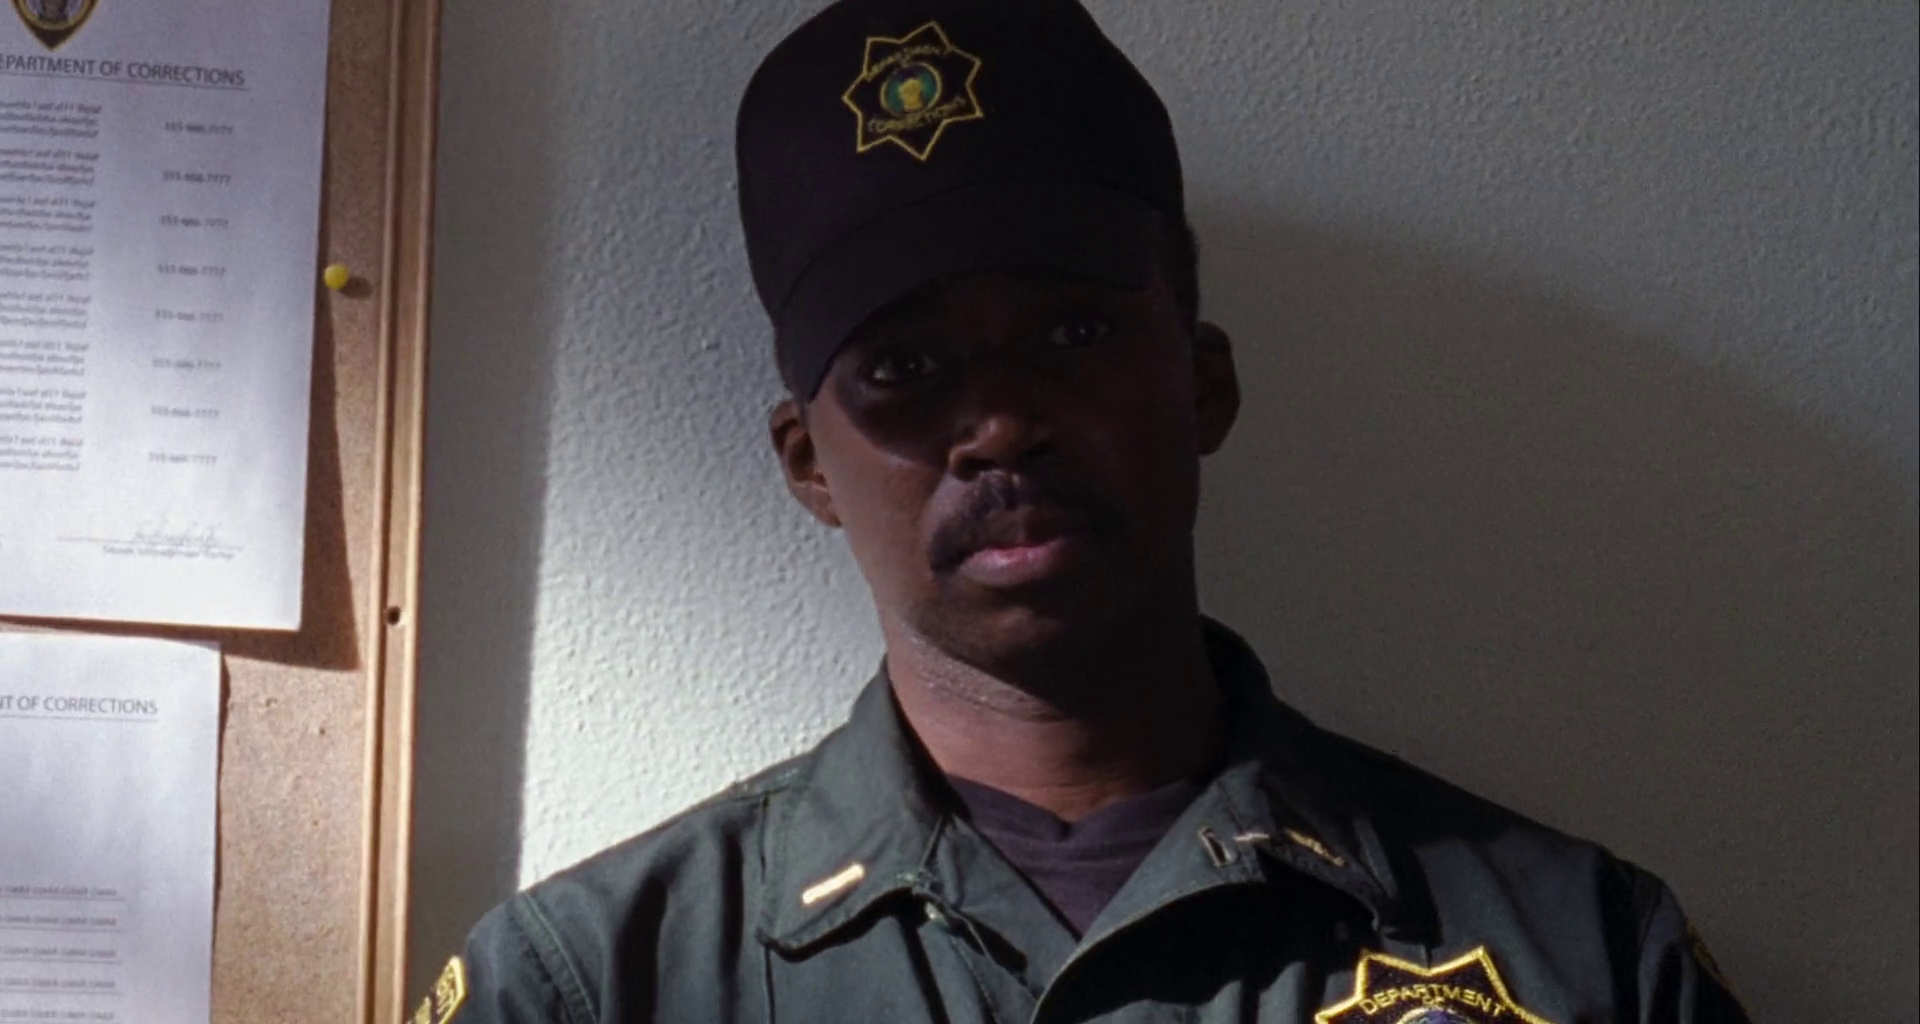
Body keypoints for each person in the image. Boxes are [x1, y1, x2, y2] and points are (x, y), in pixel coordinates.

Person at [423, 0, 1752, 1020]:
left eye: (1072, 331)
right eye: (904, 368)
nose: (1001, 425)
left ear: (1203, 382)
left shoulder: (1579, 956)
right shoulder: (591, 984)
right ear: (808, 465)